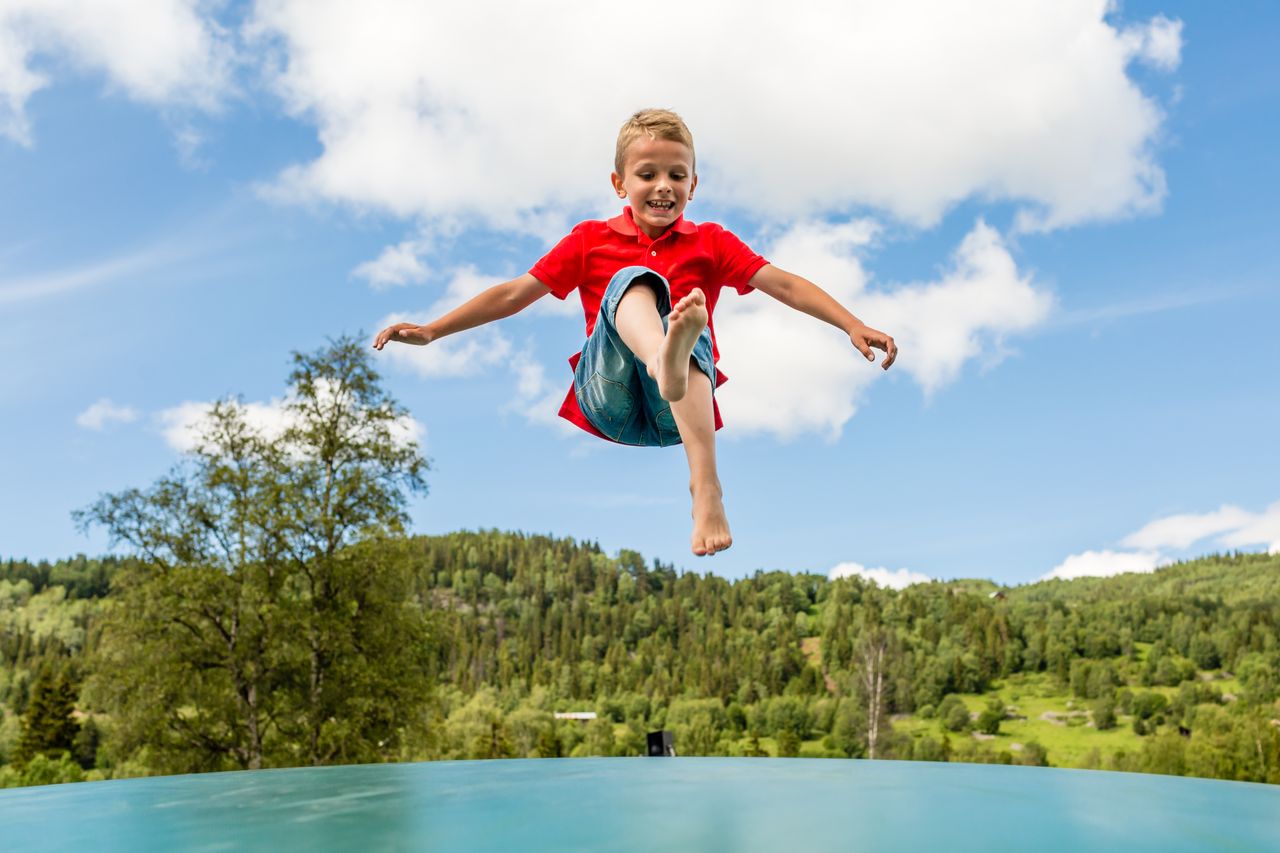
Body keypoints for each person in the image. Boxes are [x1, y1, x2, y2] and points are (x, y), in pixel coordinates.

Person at [373, 109, 897, 557]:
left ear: (694, 185)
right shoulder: (589, 241)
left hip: (680, 411)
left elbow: (782, 284)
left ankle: (704, 485)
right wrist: (433, 331)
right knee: (635, 284)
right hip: (612, 394)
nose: (663, 185)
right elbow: (514, 294)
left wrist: (851, 323)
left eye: (677, 174)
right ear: (620, 184)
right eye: (647, 174)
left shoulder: (711, 242)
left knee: (690, 326)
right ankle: (663, 354)